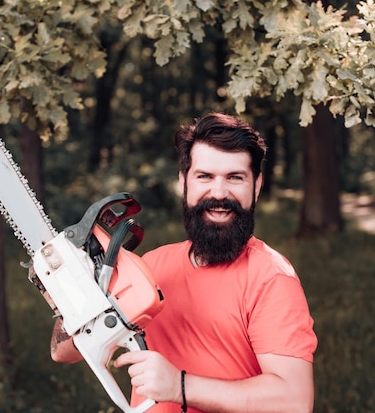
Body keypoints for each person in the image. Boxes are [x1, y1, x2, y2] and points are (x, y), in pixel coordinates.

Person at [48, 113, 318, 413]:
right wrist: (75, 295)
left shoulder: (271, 279)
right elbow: (64, 352)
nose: (219, 193)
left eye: (235, 177)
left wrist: (179, 386)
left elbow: (295, 402)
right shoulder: (151, 266)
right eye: (205, 176)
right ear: (183, 182)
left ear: (256, 185)